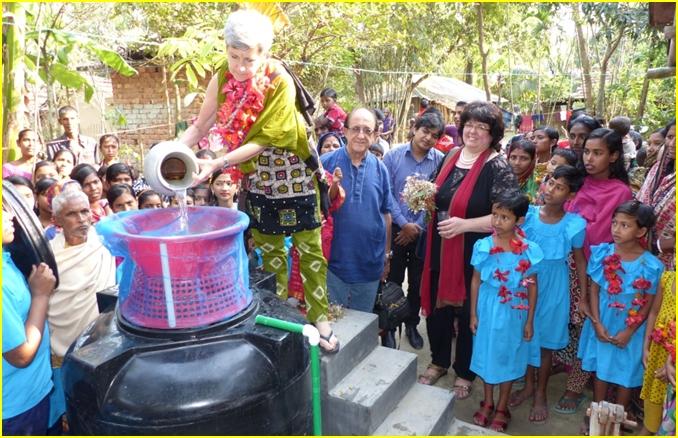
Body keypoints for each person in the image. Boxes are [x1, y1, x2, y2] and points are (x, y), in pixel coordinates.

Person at [177, 9, 338, 353]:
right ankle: (277, 316)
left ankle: (321, 316)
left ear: (264, 54)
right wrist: (173, 151)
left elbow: (264, 140)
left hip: (294, 171)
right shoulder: (222, 74)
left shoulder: (278, 78)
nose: (239, 67)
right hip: (258, 176)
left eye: (248, 59)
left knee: (309, 250)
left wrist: (218, 161)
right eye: (233, 56)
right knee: (271, 251)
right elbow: (202, 124)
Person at [418, 101, 519, 399]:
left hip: (473, 252)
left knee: (468, 312)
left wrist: (465, 225)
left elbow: (507, 214)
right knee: (438, 307)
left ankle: (465, 371)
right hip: (440, 243)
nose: (473, 132)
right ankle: (438, 361)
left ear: (493, 134)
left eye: (482, 127)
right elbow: (436, 193)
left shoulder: (496, 165)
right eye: (469, 125)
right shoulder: (450, 155)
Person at [553, 127, 633, 415]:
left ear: (613, 156)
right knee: (559, 319)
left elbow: (609, 234)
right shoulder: (578, 182)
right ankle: (561, 364)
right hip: (563, 261)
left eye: (598, 153)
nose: (589, 158)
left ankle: (575, 387)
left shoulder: (621, 192)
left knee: (585, 326)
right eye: (587, 151)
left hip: (595, 270)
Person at [509, 165, 587, 424]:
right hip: (525, 282)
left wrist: (583, 298)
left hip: (554, 287)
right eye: (550, 183)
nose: (551, 190)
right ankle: (528, 385)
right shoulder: (528, 216)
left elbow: (579, 261)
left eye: (560, 187)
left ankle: (540, 392)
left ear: (571, 195)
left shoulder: (574, 225)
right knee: (526, 335)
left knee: (545, 344)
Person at [577, 201, 663, 432]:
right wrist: (596, 323)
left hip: (630, 328)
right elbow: (593, 290)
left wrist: (629, 331)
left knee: (626, 372)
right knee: (601, 368)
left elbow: (648, 303)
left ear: (641, 231)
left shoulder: (652, 265)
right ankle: (597, 414)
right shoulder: (603, 253)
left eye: (624, 225)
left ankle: (618, 416)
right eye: (614, 223)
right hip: (602, 320)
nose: (616, 229)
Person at [469, 191, 543, 432]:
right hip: (488, 309)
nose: (497, 222)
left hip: (514, 311)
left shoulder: (529, 250)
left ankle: (502, 406)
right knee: (487, 354)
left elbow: (532, 286)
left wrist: (530, 320)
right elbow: (476, 281)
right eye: (495, 215)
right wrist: (473, 314)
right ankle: (488, 401)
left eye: (505, 217)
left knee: (509, 355)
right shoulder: (483, 246)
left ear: (519, 220)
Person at [47, 188, 117, 430]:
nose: (81, 219)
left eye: (85, 211)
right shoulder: (48, 257)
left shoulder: (104, 242)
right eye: (72, 214)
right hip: (60, 349)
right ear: (56, 220)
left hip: (101, 346)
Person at [382, 112, 444, 349]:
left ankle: (411, 324)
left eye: (434, 135)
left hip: (423, 232)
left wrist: (417, 226)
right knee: (393, 279)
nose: (428, 138)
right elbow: (386, 193)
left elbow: (438, 198)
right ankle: (389, 326)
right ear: (414, 129)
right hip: (395, 229)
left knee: (418, 282)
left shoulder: (440, 160)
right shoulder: (393, 156)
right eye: (425, 131)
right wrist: (403, 223)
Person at [321, 108, 392, 313]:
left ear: (375, 135)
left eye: (367, 130)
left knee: (361, 326)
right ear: (345, 131)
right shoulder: (326, 163)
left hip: (369, 265)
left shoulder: (380, 169)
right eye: (356, 129)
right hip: (332, 265)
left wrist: (386, 256)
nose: (361, 135)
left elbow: (386, 214)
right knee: (333, 326)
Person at [2, 207, 57, 436]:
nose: (10, 216)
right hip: (15, 409)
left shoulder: (6, 258)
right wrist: (41, 296)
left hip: (31, 395)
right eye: (1, 211)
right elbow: (20, 355)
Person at [641, 271, 675, 435]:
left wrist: (672, 362)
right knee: (652, 408)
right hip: (658, 351)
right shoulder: (667, 278)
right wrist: (646, 347)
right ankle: (649, 428)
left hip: (672, 359)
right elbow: (654, 312)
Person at [638, 119, 675, 272]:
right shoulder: (657, 170)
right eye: (670, 137)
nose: (672, 144)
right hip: (645, 253)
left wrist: (662, 244)